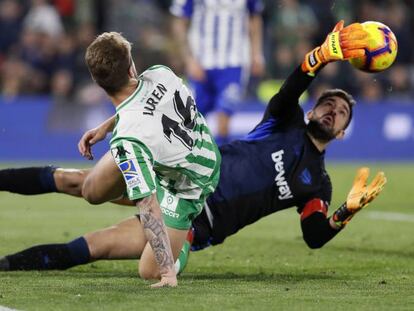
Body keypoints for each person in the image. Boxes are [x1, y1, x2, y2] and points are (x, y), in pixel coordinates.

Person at [0, 21, 386, 274]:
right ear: (311, 111)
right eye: (328, 104)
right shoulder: (283, 123)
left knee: (97, 246)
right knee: (76, 183)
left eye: (341, 113)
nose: (333, 111)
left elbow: (315, 236)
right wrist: (320, 56)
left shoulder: (318, 185)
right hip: (179, 180)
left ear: (342, 134)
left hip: (198, 223)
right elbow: (294, 84)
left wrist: (344, 213)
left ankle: (6, 265)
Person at [27, 31, 221, 288]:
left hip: (188, 185)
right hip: (204, 149)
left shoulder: (127, 141)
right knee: (93, 192)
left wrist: (167, 273)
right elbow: (144, 105)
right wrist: (107, 127)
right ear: (131, 69)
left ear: (98, 84)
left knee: (149, 271)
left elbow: (148, 204)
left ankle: (186, 236)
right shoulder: (161, 72)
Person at [170, 0, 265, 145]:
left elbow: (255, 17)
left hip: (234, 63)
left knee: (224, 116)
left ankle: (221, 163)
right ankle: (197, 161)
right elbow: (179, 22)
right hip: (200, 61)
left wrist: (256, 53)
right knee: (195, 118)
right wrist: (188, 59)